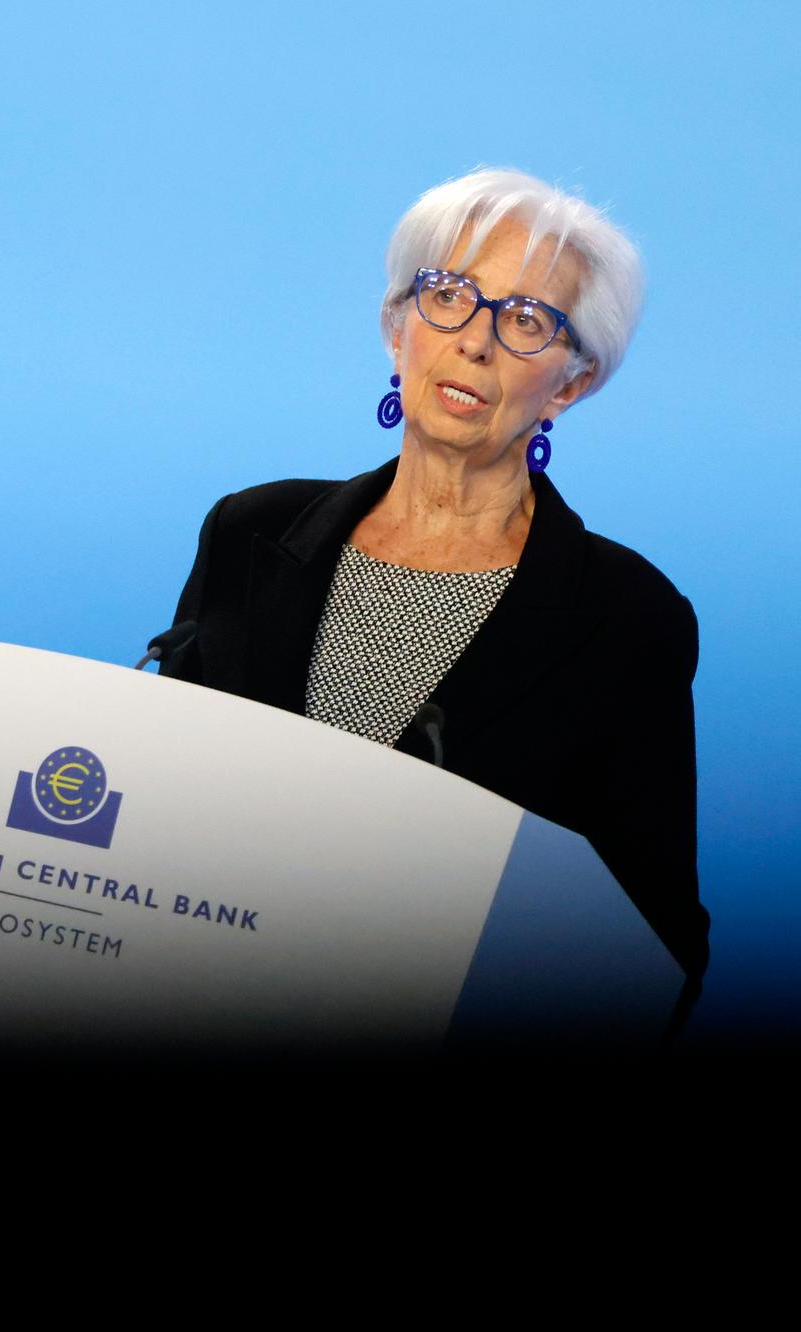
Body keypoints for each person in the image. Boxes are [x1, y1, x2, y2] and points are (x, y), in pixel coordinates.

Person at [158, 168, 709, 978]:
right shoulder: (250, 531)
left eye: (526, 319)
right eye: (450, 295)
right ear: (397, 326)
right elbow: (152, 800)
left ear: (572, 382)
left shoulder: (627, 617)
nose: (476, 339)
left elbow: (654, 939)